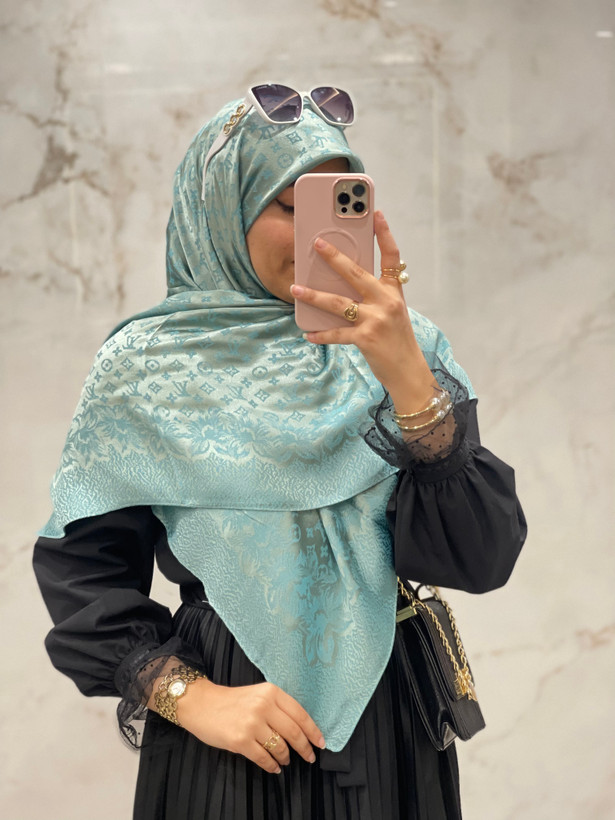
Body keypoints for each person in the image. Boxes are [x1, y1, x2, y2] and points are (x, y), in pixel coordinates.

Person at [33, 85, 526, 820]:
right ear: (220, 213)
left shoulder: (405, 346)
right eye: (289, 207)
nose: (316, 238)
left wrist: (407, 379)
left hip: (389, 718)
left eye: (335, 207)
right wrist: (189, 697)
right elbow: (84, 569)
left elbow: (480, 559)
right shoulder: (145, 366)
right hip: (228, 727)